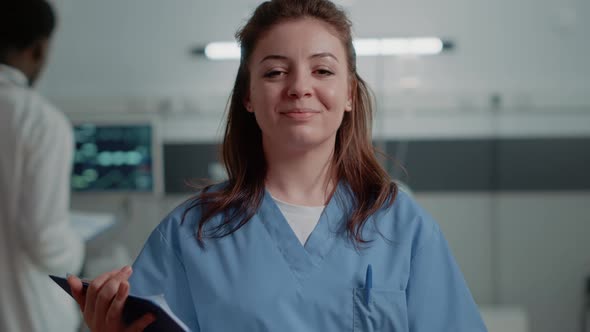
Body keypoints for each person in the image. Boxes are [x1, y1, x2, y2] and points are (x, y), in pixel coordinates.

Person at [68, 0, 488, 331]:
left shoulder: (403, 227)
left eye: (322, 70)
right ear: (248, 96)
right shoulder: (188, 235)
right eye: (274, 72)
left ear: (349, 97)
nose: (300, 87)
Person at [0, 1, 86, 331]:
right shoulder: (40, 122)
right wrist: (76, 246)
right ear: (38, 49)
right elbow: (44, 239)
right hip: (28, 316)